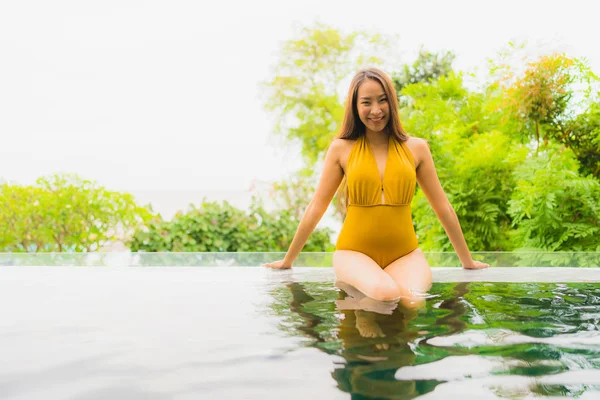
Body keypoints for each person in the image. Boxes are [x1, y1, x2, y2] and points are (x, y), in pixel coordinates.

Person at [264, 67, 489, 303]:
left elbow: (443, 207)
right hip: (353, 253)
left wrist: (467, 261)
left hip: (405, 254)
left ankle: (359, 306)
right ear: (355, 106)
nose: (376, 110)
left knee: (413, 301)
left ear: (391, 102)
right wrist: (288, 260)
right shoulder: (341, 148)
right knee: (385, 295)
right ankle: (353, 307)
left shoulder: (417, 148)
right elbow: (316, 207)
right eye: (366, 102)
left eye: (382, 100)